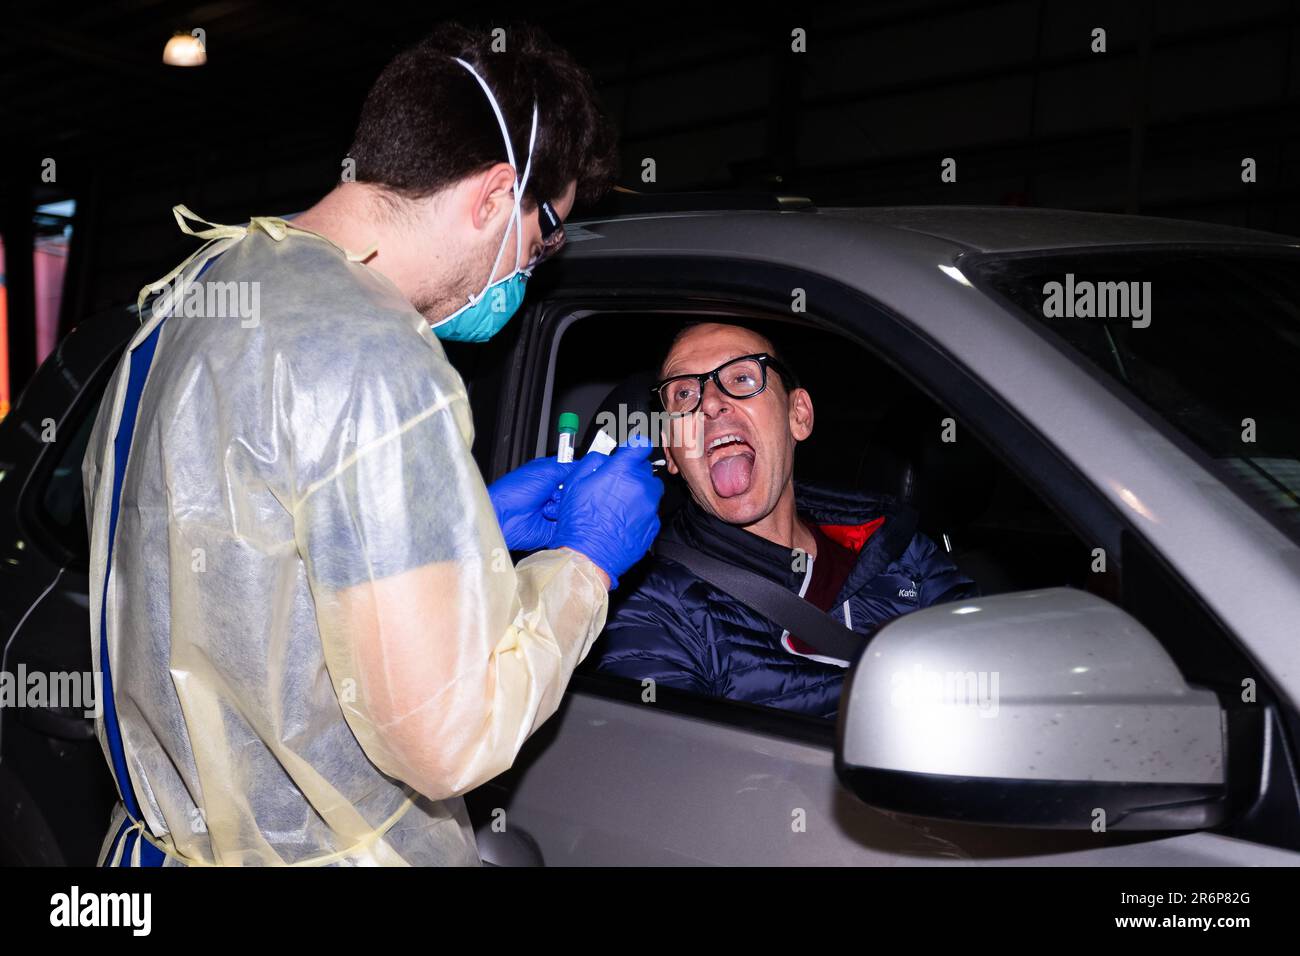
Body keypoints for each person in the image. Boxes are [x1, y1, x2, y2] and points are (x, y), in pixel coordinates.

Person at [81, 24, 661, 867]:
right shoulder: (376, 352)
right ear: (496, 194)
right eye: (545, 237)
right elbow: (445, 739)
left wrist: (461, 541)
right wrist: (584, 567)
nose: (532, 266)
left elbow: (244, 582)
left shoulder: (202, 288)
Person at [597, 323, 976, 719]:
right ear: (672, 455)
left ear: (799, 416)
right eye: (685, 394)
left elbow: (993, 680)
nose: (709, 403)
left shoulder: (897, 547)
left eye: (742, 377)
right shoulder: (654, 609)